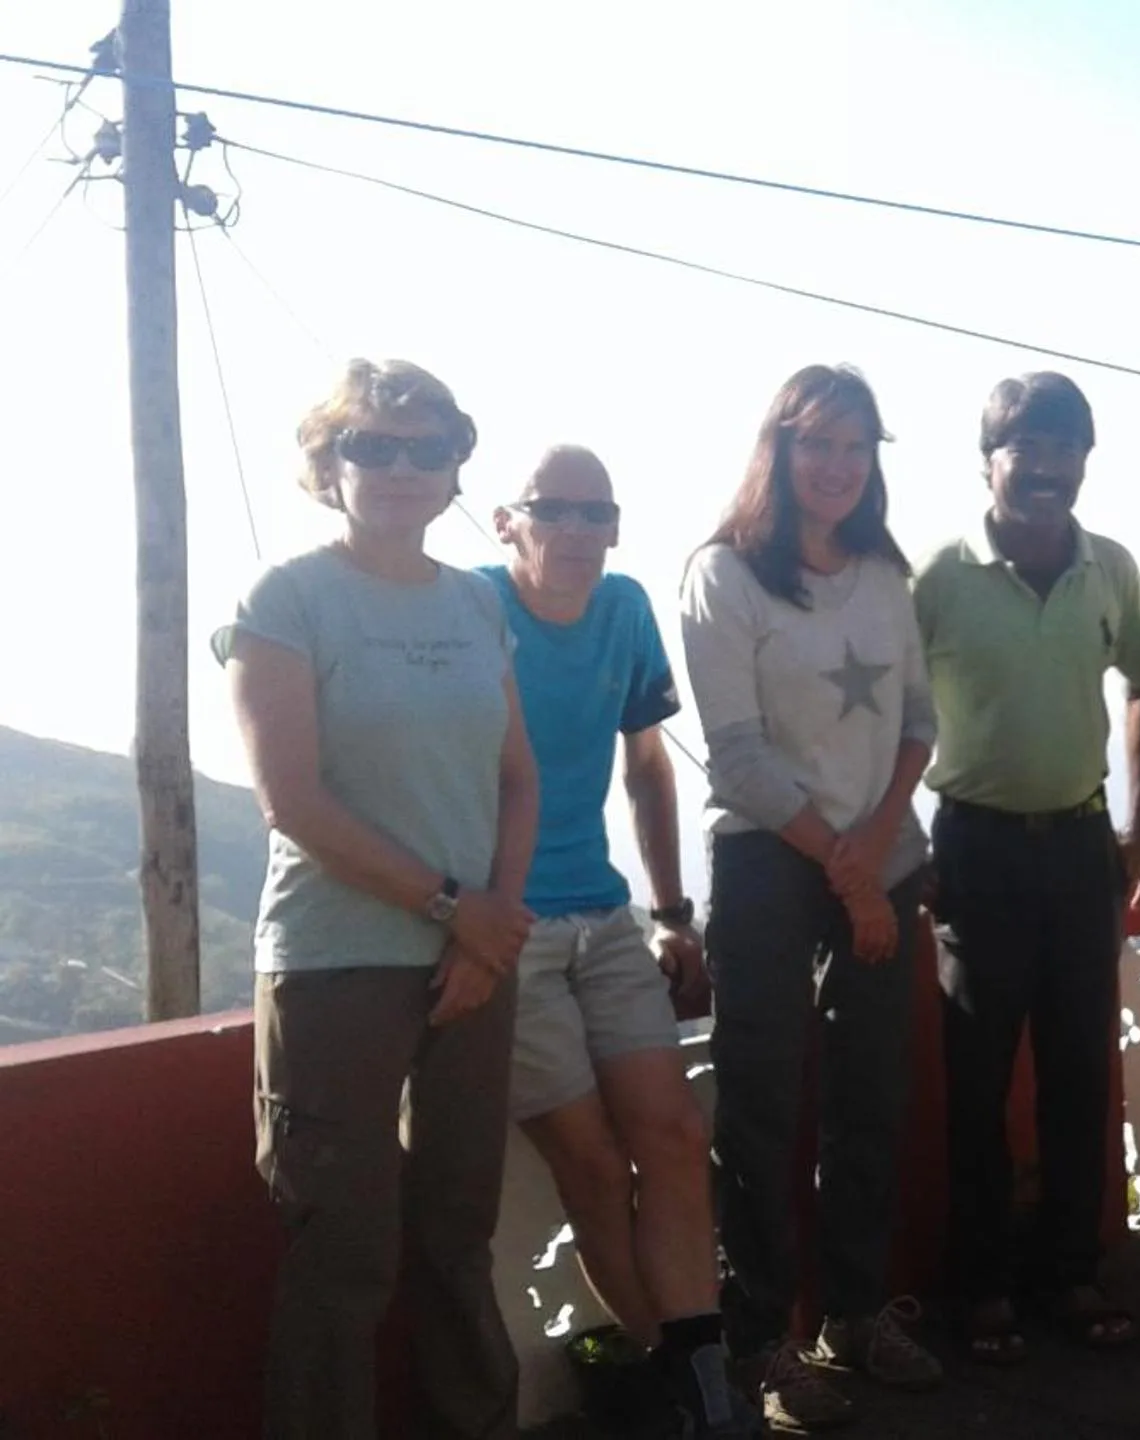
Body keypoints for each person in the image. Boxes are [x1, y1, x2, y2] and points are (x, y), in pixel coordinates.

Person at [221, 359, 538, 1439]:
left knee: (458, 1234)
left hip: (470, 962)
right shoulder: (288, 598)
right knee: (344, 1252)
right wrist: (459, 907)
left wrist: (489, 932)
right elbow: (291, 800)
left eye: (427, 446)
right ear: (330, 463)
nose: (402, 466)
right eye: (373, 444)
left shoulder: (473, 604)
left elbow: (517, 777)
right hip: (336, 961)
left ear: (456, 467)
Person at [680, 364, 939, 1433]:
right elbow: (735, 755)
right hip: (767, 861)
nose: (837, 465)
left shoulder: (884, 570)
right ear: (778, 450)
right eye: (816, 443)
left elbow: (918, 721)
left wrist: (871, 856)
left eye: (857, 445)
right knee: (760, 1100)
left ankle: (856, 1313)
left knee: (870, 1096)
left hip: (879, 850)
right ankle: (760, 1343)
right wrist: (846, 866)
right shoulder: (724, 573)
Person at [481, 446, 751, 1437]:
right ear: (507, 520)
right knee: (591, 1166)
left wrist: (672, 913)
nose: (579, 533)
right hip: (508, 929)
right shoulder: (470, 609)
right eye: (554, 511)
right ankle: (682, 1385)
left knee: (675, 1139)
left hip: (605, 917)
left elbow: (647, 767)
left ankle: (704, 1383)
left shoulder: (626, 609)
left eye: (598, 514)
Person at [914, 372, 1140, 1362]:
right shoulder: (936, 575)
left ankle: (1073, 1272)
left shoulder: (1110, 568)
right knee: (975, 1078)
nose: (1051, 465)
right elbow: (883, 709)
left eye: (1068, 448)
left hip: (1078, 846)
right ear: (989, 461)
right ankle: (978, 1282)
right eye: (1029, 447)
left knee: (1077, 1070)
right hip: (973, 848)